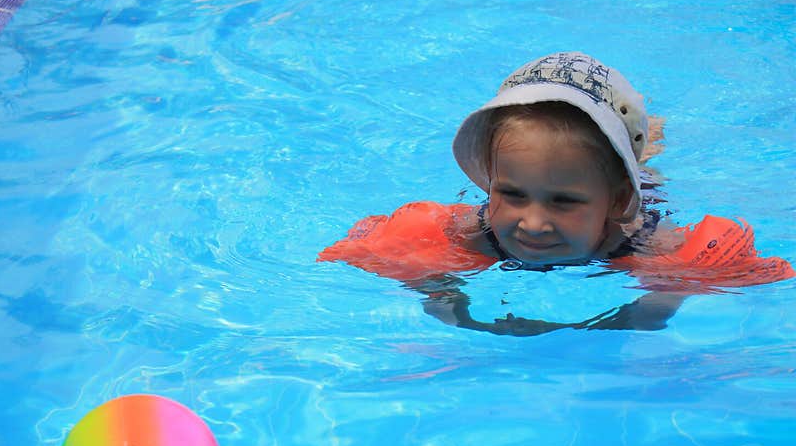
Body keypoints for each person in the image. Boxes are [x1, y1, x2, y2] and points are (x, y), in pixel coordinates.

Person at [317, 52, 795, 335]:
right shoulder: (468, 233)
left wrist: (631, 318)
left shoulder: (651, 244)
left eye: (564, 201)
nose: (533, 222)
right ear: (490, 182)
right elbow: (427, 282)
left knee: (646, 177)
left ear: (615, 203)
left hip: (633, 201)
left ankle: (643, 146)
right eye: (511, 193)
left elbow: (656, 310)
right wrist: (449, 305)